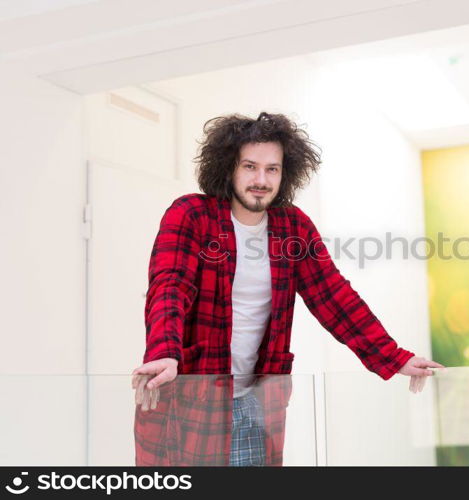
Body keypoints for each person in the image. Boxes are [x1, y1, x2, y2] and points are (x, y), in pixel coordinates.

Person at [131, 111, 444, 466]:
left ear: (286, 172)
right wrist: (164, 350)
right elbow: (170, 285)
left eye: (272, 169)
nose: (261, 179)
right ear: (228, 167)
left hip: (256, 401)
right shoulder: (192, 214)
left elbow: (334, 297)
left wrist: (394, 357)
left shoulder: (292, 226)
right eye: (249, 166)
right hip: (189, 397)